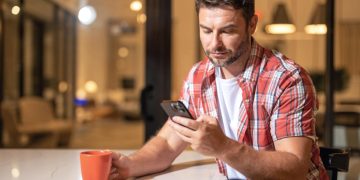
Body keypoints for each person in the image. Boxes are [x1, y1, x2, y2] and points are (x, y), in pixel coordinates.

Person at [109, 0, 328, 179]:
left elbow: (295, 168)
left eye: (227, 31)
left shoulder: (287, 79)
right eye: (206, 30)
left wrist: (222, 147)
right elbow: (167, 142)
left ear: (252, 24)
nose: (214, 44)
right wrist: (129, 165)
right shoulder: (199, 76)